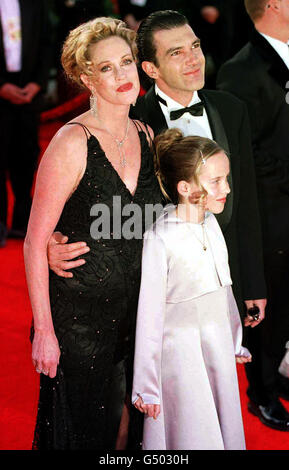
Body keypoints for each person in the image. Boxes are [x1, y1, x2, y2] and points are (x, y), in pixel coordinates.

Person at [48, 10, 267, 326]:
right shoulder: (135, 124)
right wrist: (53, 241)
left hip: (225, 278)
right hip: (161, 289)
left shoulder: (232, 110)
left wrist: (253, 283)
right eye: (177, 53)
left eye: (195, 46)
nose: (193, 59)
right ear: (150, 68)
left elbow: (246, 203)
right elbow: (100, 200)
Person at [24, 17, 162, 450]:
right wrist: (44, 331)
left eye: (126, 62)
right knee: (85, 431)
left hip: (137, 314)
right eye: (106, 68)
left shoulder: (146, 133)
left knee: (128, 426)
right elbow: (33, 241)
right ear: (86, 77)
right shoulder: (71, 142)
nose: (122, 75)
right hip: (81, 320)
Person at [132, 128, 252, 450]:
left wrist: (234, 339)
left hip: (216, 347)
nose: (226, 188)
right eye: (215, 182)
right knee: (193, 429)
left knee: (222, 423)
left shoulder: (211, 224)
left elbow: (222, 288)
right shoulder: (160, 238)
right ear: (184, 188)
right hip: (181, 357)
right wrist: (147, 386)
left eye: (225, 178)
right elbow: (149, 317)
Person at [217, 0, 289, 431]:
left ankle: (278, 372)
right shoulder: (239, 71)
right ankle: (260, 392)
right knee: (273, 303)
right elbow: (245, 155)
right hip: (273, 213)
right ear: (275, 5)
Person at [0, 0, 51, 246]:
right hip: (0, 91)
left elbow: (46, 43)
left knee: (27, 156)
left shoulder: (35, 4)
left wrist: (38, 83)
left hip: (29, 90)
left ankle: (22, 223)